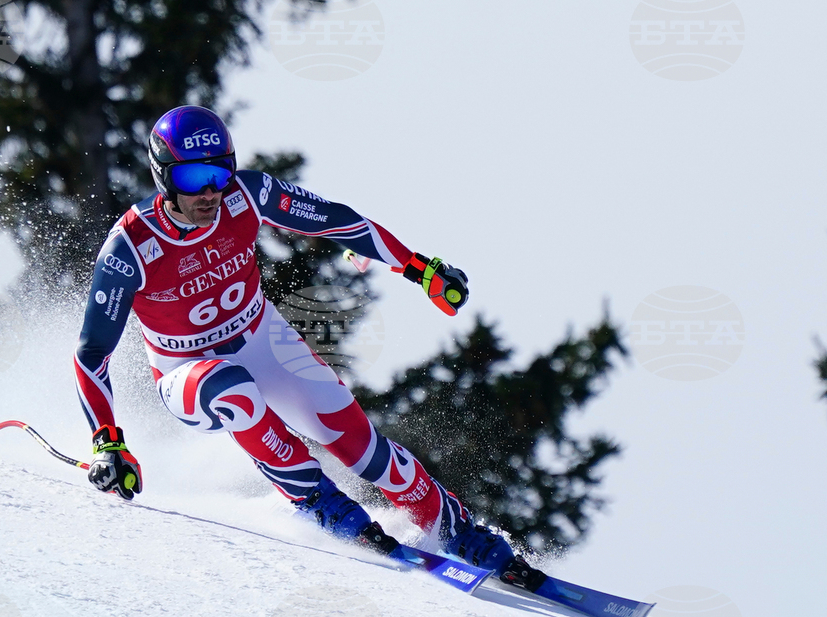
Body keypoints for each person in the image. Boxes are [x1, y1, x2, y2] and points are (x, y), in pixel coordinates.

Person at [74, 105, 544, 590]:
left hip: (261, 339)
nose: (210, 191)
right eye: (193, 178)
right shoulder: (130, 247)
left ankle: (454, 528)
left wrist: (417, 267)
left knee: (361, 446)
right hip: (187, 371)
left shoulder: (247, 195)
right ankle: (315, 497)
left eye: (220, 172)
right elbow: (92, 354)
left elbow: (335, 221)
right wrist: (107, 442)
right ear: (163, 176)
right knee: (231, 388)